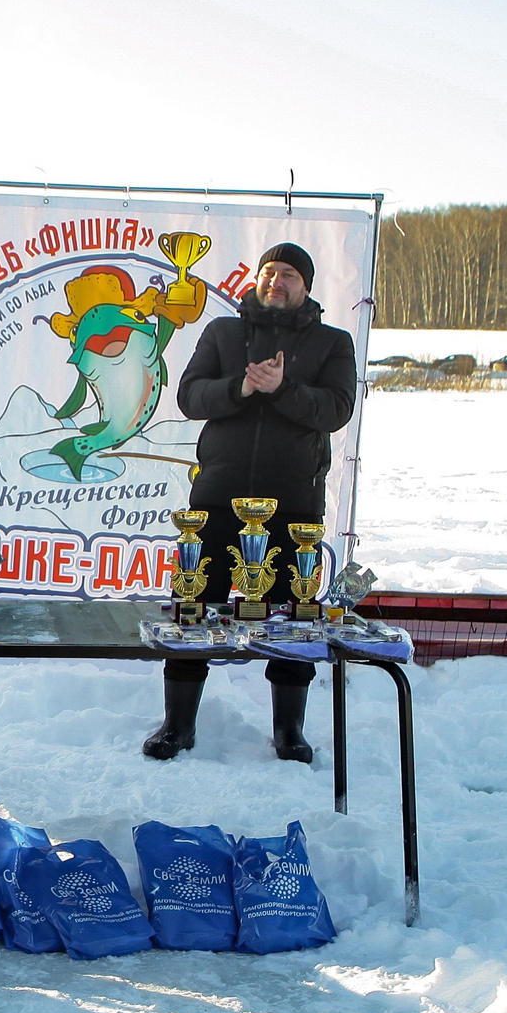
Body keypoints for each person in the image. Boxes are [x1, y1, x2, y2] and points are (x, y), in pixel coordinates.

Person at [146, 240, 359, 764]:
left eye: (288, 274)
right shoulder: (223, 332)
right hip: (217, 499)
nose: (277, 281)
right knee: (194, 610)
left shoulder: (334, 343)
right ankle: (178, 724)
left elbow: (336, 410)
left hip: (294, 507)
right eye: (270, 272)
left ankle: (289, 730)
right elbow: (190, 396)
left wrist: (283, 388)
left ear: (306, 286)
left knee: (295, 616)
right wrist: (241, 386)